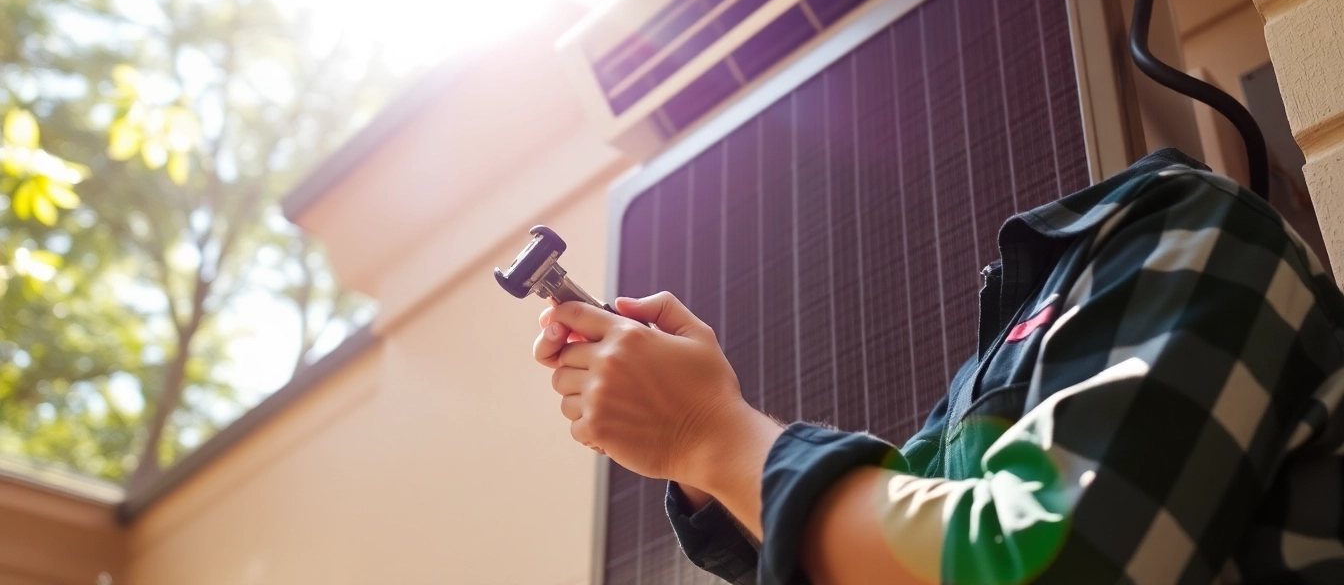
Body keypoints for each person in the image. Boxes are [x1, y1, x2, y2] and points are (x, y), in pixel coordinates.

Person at [531, 150, 1344, 584]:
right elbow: (880, 559)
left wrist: (707, 432)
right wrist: (702, 467)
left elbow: (1054, 564)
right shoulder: (961, 412)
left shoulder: (1179, 220)